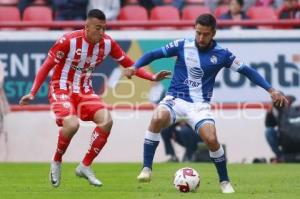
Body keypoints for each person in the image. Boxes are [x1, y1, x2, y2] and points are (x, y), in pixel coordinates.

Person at [124, 13, 288, 194]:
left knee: (211, 139)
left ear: (213, 34)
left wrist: (271, 90)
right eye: (198, 33)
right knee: (157, 118)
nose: (201, 38)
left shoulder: (222, 54)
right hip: (175, 99)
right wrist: (135, 66)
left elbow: (247, 71)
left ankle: (224, 181)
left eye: (205, 34)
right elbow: (152, 54)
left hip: (199, 106)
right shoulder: (182, 45)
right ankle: (146, 169)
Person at [19, 9, 170, 188]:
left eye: (104, 28)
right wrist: (33, 92)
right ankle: (57, 161)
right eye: (98, 28)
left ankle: (85, 165)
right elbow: (46, 66)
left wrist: (152, 77)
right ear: (87, 27)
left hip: (84, 90)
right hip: (61, 88)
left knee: (106, 121)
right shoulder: (68, 41)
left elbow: (129, 64)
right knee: (72, 124)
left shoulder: (107, 43)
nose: (101, 32)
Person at [265, 95, 296, 163]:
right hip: (284, 136)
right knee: (269, 131)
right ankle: (280, 157)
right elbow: (268, 125)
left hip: (295, 136)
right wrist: (269, 113)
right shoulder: (274, 112)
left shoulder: (292, 110)